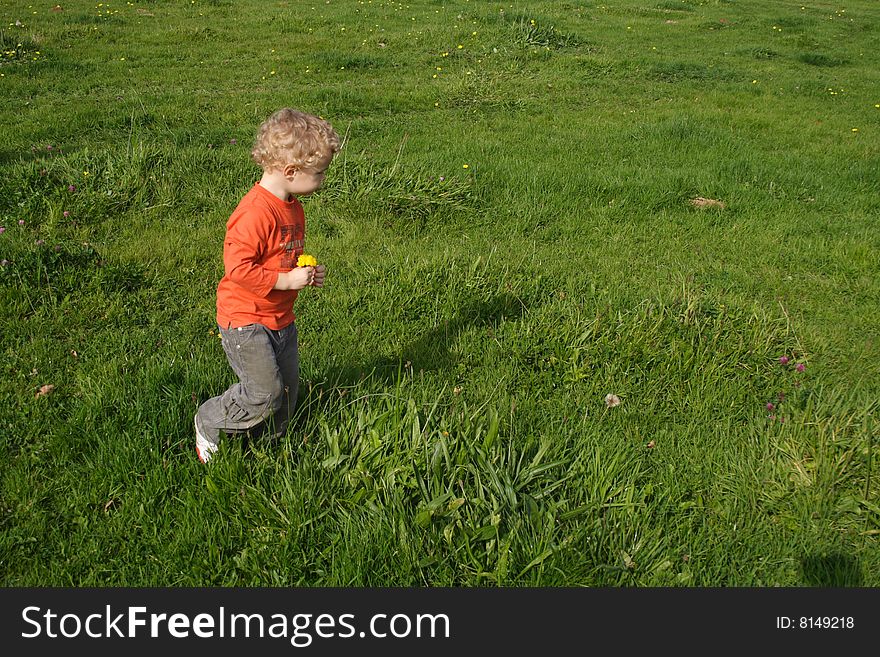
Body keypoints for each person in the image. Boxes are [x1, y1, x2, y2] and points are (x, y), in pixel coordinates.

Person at [194, 108, 340, 463]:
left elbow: (282, 258)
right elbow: (238, 269)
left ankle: (270, 447)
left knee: (288, 393)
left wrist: (305, 275)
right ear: (291, 172)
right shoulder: (255, 213)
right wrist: (285, 280)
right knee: (265, 392)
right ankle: (210, 420)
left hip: (279, 315)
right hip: (246, 319)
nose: (322, 179)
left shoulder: (293, 206)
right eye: (318, 173)